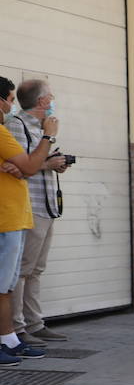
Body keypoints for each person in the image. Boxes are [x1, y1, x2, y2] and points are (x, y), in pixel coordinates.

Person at [5, 79, 71, 346]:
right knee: (22, 269)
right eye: (50, 96)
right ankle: (18, 328)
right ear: (43, 101)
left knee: (36, 269)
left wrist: (55, 164)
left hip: (45, 206)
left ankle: (35, 323)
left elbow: (35, 163)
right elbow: (22, 166)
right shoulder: (17, 126)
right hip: (28, 206)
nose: (53, 99)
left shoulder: (41, 127)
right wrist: (46, 163)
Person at [0, 77, 57, 365]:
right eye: (9, 100)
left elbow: (23, 165)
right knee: (10, 279)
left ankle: (18, 333)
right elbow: (28, 166)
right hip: (16, 211)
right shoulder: (14, 126)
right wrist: (46, 143)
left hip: (32, 208)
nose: (11, 105)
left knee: (22, 274)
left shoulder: (28, 128)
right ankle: (17, 330)